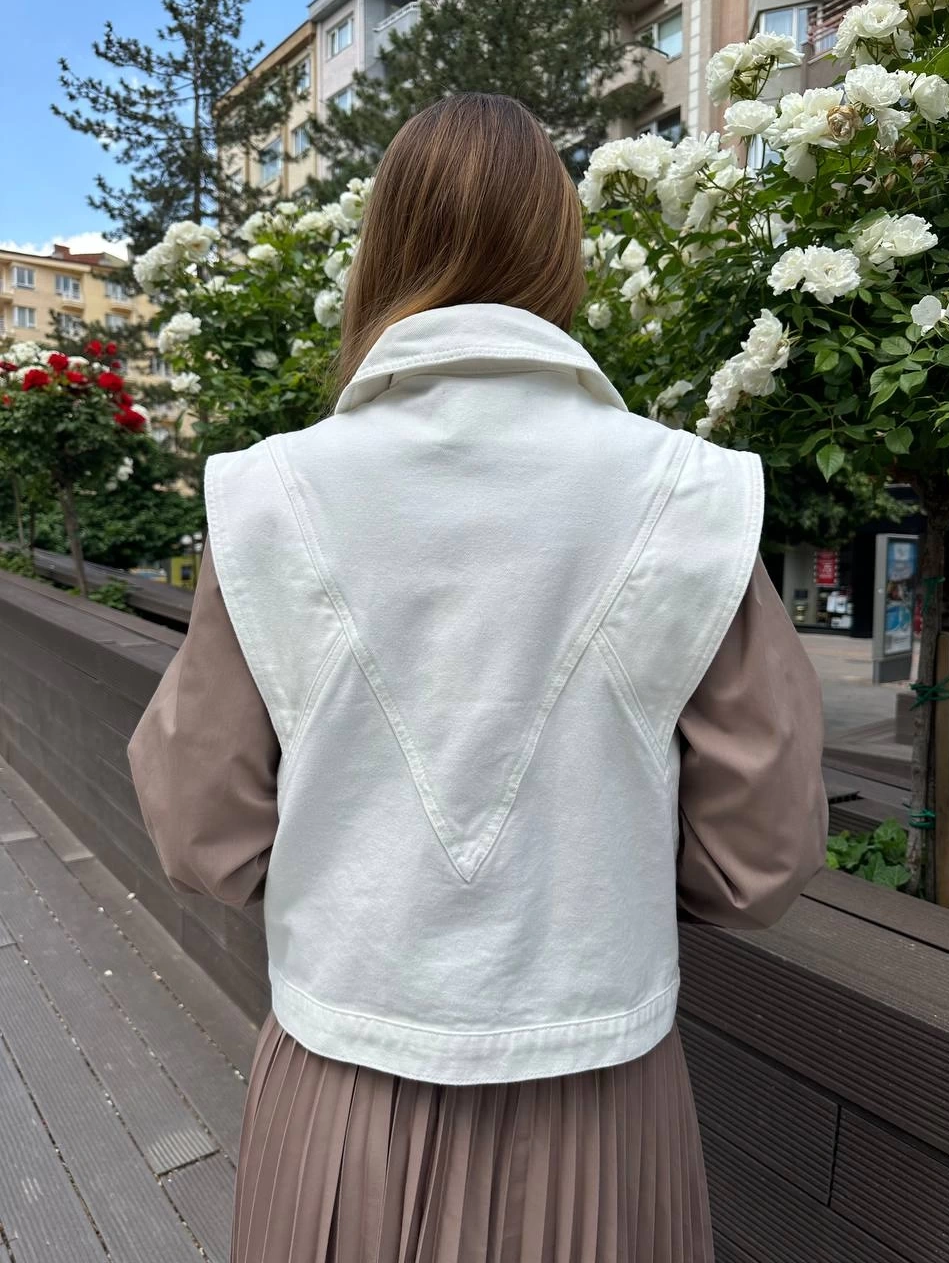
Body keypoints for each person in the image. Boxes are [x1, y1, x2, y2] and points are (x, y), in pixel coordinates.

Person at [128, 93, 828, 1263]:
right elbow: (760, 850)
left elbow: (204, 825)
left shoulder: (270, 494)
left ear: (382, 248)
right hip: (598, 1098)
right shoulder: (691, 496)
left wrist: (359, 873)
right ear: (562, 252)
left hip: (344, 1090)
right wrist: (586, 874)